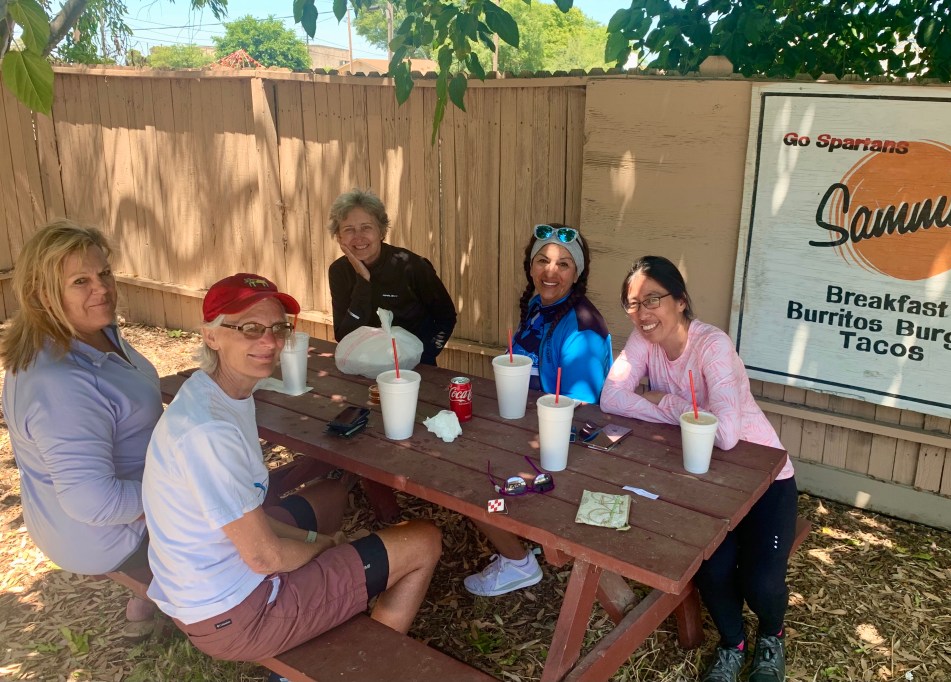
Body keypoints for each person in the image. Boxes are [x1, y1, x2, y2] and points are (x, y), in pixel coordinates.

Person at [142, 273, 442, 662]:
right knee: (423, 540)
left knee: (330, 495)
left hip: (206, 581)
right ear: (211, 336)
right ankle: (358, 665)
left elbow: (250, 524)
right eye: (250, 328)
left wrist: (314, 544)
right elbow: (264, 557)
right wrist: (324, 548)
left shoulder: (214, 392)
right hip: (237, 614)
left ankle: (323, 599)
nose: (269, 342)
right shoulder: (209, 432)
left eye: (278, 327)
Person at [600, 256, 796, 682]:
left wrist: (664, 401)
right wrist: (680, 409)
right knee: (711, 567)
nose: (642, 313)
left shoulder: (712, 345)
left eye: (652, 299)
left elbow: (725, 434)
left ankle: (772, 634)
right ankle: (733, 643)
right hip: (700, 478)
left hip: (763, 475)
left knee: (762, 582)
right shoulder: (643, 338)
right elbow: (611, 398)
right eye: (633, 304)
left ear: (681, 301)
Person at [1, 220, 160, 637]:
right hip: (106, 537)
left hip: (69, 522)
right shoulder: (60, 383)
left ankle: (148, 597)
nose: (102, 288)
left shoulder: (91, 333)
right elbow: (95, 502)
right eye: (80, 281)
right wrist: (181, 496)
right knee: (264, 505)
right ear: (42, 294)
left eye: (104, 272)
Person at [463, 223, 612, 598]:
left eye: (563, 264)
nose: (550, 271)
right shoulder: (538, 306)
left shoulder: (582, 329)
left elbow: (580, 414)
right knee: (458, 456)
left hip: (560, 453)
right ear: (530, 267)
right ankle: (513, 532)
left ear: (577, 274)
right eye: (542, 260)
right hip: (524, 430)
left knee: (469, 484)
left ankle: (518, 562)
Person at [328, 189, 457, 365]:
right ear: (339, 237)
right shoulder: (338, 271)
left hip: (413, 367)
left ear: (381, 231)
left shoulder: (412, 267)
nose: (358, 237)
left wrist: (423, 357)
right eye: (349, 229)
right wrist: (363, 281)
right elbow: (343, 336)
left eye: (366, 227)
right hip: (364, 367)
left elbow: (446, 317)